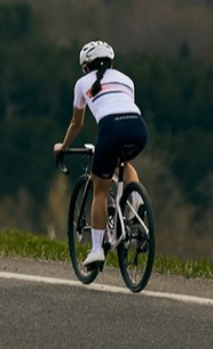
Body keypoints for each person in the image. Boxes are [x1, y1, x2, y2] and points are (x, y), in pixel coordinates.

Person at [53, 41, 148, 270]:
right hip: (138, 128)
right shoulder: (127, 80)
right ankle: (137, 202)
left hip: (110, 129)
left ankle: (96, 250)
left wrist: (63, 147)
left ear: (86, 66)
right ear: (111, 61)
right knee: (123, 163)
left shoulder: (82, 83)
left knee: (100, 189)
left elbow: (77, 123)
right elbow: (122, 107)